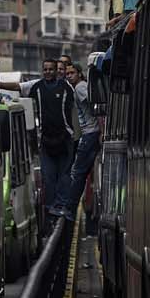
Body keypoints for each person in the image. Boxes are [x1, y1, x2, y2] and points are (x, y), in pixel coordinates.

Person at [20, 58, 79, 220]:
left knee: (64, 175)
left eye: (50, 69)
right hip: (46, 140)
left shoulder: (65, 87)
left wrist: (72, 134)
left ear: (56, 71)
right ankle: (50, 208)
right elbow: (21, 91)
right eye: (45, 69)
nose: (47, 72)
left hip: (65, 138)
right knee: (48, 176)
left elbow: (72, 110)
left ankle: (62, 205)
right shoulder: (36, 88)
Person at [55, 63, 100, 220]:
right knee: (80, 172)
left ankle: (69, 208)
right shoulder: (80, 87)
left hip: (90, 134)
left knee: (77, 172)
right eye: (67, 73)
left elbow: (97, 106)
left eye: (72, 72)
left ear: (79, 74)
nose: (68, 76)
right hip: (91, 134)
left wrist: (100, 130)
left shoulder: (81, 87)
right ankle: (70, 207)